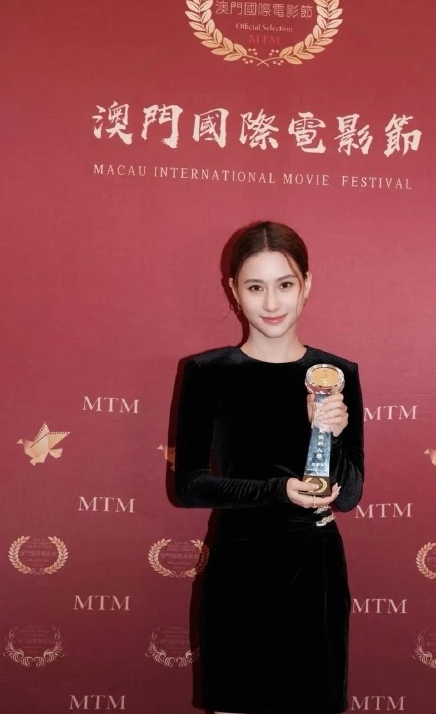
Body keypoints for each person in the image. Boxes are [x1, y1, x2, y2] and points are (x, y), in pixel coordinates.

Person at [174, 220, 364, 714]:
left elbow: (348, 495)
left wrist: (331, 434)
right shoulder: (207, 373)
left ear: (307, 285)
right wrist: (278, 490)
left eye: (285, 284)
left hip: (315, 571)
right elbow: (189, 486)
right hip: (239, 568)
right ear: (234, 291)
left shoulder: (337, 374)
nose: (272, 303)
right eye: (256, 287)